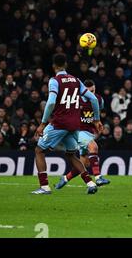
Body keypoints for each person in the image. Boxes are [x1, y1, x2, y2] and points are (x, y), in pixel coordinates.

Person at [32, 54, 103, 195]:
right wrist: (96, 119)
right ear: (66, 65)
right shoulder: (76, 80)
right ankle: (90, 183)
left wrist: (43, 123)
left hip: (59, 123)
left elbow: (51, 102)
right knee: (71, 155)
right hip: (74, 125)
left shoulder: (54, 80)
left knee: (39, 150)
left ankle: (44, 187)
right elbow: (94, 99)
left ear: (54, 66)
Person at [55, 79, 110, 190]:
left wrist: (97, 122)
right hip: (77, 131)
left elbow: (98, 114)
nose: (92, 94)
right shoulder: (76, 100)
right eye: (89, 92)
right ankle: (98, 177)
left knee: (84, 164)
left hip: (89, 132)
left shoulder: (99, 100)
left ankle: (65, 178)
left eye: (93, 91)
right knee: (93, 147)